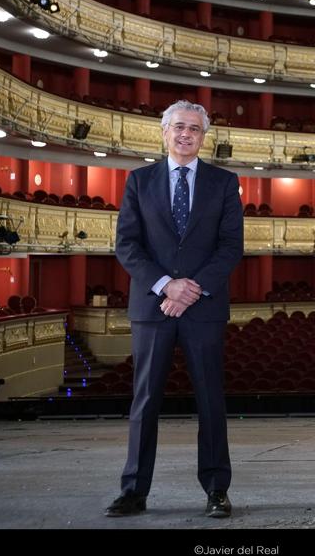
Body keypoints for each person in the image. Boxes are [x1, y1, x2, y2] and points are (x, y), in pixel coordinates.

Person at [106, 100, 243, 518]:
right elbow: (127, 244)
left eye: (195, 130)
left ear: (204, 137)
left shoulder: (223, 182)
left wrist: (190, 288)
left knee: (210, 400)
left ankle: (217, 490)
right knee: (145, 401)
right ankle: (134, 491)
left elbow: (230, 247)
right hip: (153, 307)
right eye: (179, 127)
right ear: (164, 132)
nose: (186, 135)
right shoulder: (139, 181)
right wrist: (168, 285)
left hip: (203, 307)